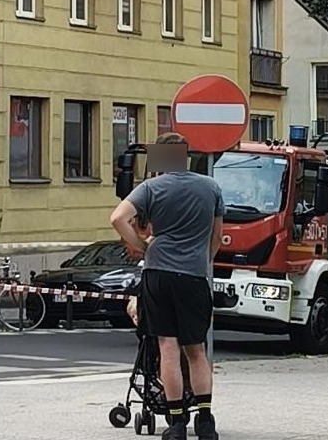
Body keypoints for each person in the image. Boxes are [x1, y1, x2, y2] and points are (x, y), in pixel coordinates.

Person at [109, 132, 224, 440]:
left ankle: (176, 423)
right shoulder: (210, 187)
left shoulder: (151, 188)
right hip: (194, 276)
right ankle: (205, 420)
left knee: (167, 347)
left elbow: (117, 218)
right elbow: (216, 237)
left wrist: (144, 246)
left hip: (158, 274)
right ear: (185, 155)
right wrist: (203, 260)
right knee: (196, 350)